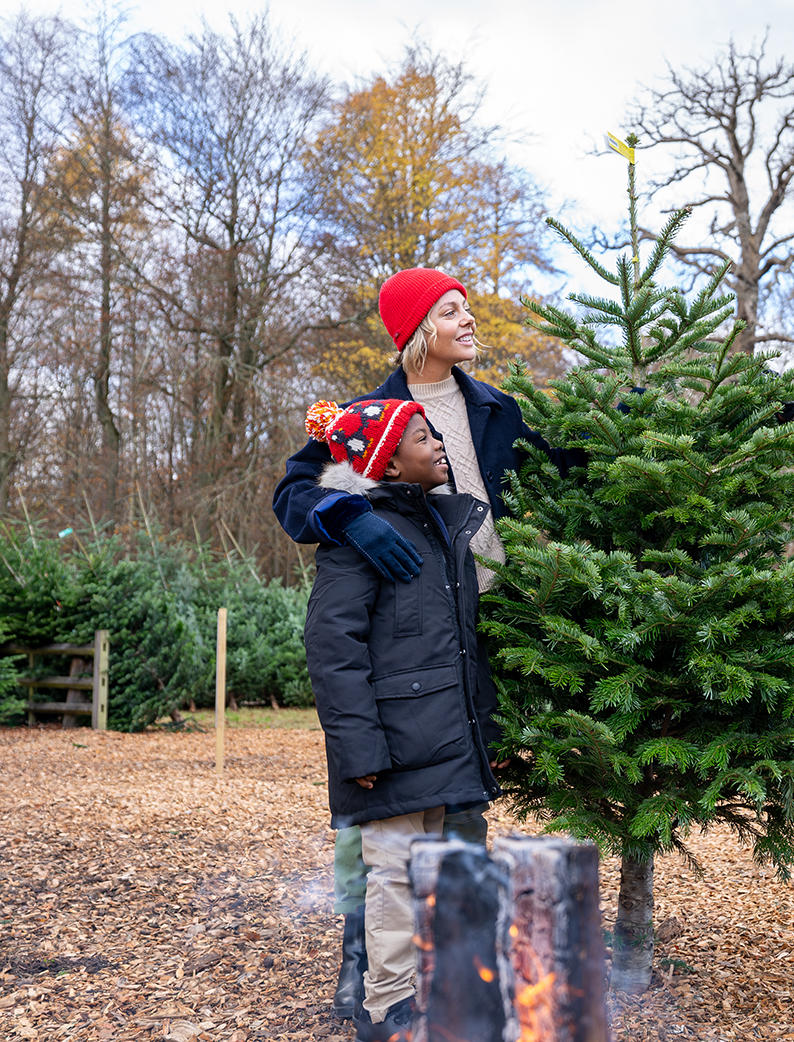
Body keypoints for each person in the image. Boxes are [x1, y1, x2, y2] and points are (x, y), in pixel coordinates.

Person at [273, 268, 580, 1016]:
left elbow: (565, 472)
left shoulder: (495, 410)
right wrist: (348, 517)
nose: (470, 320)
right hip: (401, 640)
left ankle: (456, 977)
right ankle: (365, 965)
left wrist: (624, 422)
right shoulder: (365, 419)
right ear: (417, 330)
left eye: (467, 307)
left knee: (457, 806)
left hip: (482, 629)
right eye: (452, 311)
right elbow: (292, 496)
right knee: (379, 818)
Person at [303, 395, 501, 1041]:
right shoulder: (358, 537)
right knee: (390, 875)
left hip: (446, 736)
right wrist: (358, 751)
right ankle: (387, 1011)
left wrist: (483, 732)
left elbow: (464, 645)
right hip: (388, 747)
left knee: (438, 872)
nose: (439, 443)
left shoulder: (443, 526)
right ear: (388, 463)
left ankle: (439, 996)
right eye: (422, 436)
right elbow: (334, 647)